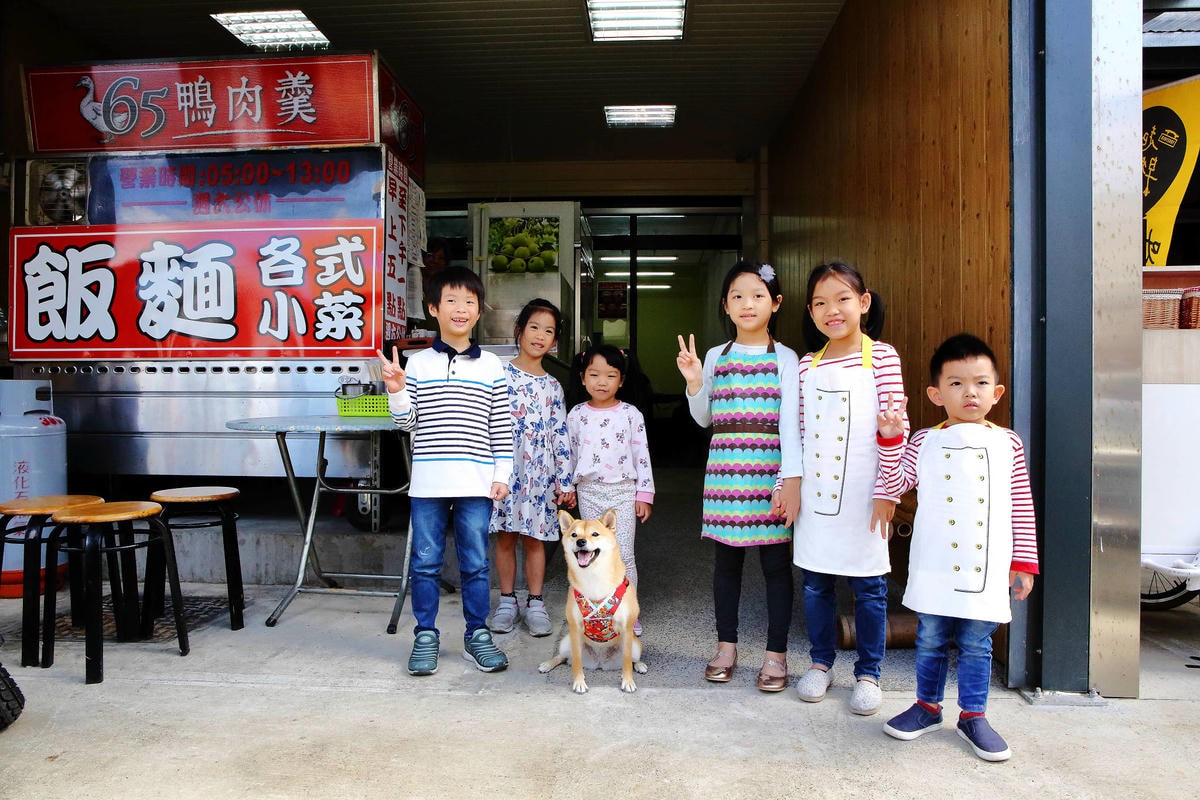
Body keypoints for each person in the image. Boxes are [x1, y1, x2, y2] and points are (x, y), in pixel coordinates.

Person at [876, 333, 1038, 762]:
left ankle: (974, 716)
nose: (970, 392)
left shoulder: (1009, 444)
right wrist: (891, 438)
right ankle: (927, 706)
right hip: (935, 562)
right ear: (935, 393)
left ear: (997, 392)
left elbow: (1021, 503)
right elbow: (894, 486)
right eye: (957, 383)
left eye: (981, 383)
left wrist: (1023, 562)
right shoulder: (924, 441)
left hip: (984, 565)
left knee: (976, 642)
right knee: (929, 638)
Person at [778, 261, 908, 715]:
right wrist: (787, 484)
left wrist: (888, 491)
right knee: (815, 584)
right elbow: (793, 434)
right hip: (816, 497)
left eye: (842, 299)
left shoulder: (883, 357)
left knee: (870, 586)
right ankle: (820, 663)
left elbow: (898, 430)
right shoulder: (805, 366)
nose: (831, 310)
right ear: (810, 312)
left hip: (864, 496)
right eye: (820, 303)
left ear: (864, 302)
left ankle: (870, 673)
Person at [378, 265, 513, 676]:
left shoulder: (492, 366)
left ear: (478, 311)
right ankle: (426, 635)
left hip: (476, 482)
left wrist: (501, 475)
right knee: (425, 562)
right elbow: (407, 423)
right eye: (451, 301)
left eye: (469, 302)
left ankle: (477, 634)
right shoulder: (417, 364)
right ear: (434, 309)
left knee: (475, 562)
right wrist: (397, 391)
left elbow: (502, 427)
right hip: (428, 483)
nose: (461, 309)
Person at [676, 260, 802, 692]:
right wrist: (695, 382)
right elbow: (704, 418)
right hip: (725, 472)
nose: (747, 304)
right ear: (725, 306)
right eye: (737, 296)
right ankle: (726, 647)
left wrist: (789, 479)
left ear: (775, 303)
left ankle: (776, 655)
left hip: (770, 472)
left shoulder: (787, 358)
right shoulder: (715, 356)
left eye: (757, 295)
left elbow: (792, 426)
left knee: (776, 568)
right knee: (726, 565)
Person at [488, 298, 575, 637]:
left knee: (536, 538)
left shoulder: (553, 386)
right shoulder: (499, 374)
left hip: (541, 475)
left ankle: (535, 602)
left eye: (549, 331)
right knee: (507, 536)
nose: (540, 336)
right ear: (520, 330)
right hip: (507, 473)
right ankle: (507, 601)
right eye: (534, 327)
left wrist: (564, 482)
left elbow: (560, 435)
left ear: (554, 342)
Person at [566, 344, 654, 635]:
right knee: (591, 553)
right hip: (589, 492)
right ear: (582, 378)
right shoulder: (577, 415)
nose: (601, 382)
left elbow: (641, 455)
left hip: (623, 493)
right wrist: (566, 487)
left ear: (622, 380)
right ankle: (598, 612)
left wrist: (644, 494)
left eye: (610, 375)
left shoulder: (631, 414)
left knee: (623, 554)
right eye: (594, 374)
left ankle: (628, 611)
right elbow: (570, 454)